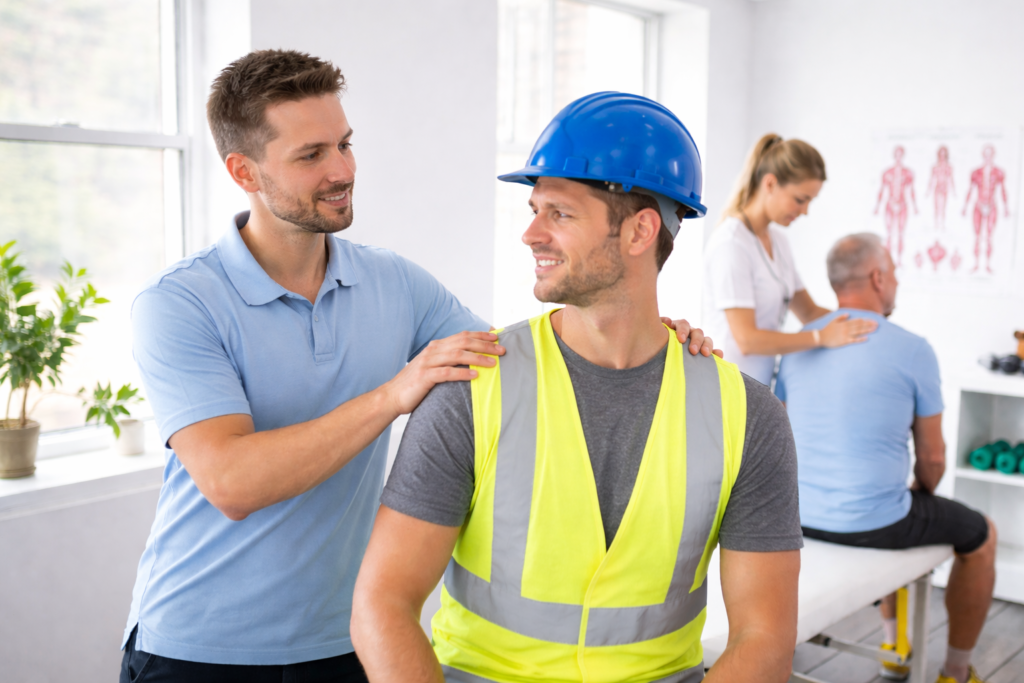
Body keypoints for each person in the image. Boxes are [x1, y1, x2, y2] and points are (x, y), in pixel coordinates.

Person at [120, 53, 714, 682]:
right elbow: (232, 483)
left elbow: (529, 366)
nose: (343, 170)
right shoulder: (180, 302)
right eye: (311, 155)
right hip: (199, 650)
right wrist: (394, 394)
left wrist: (648, 339)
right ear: (244, 170)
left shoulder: (392, 283)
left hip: (345, 639)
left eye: (345, 145)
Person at [351, 92, 803, 683]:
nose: (531, 234)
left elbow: (763, 637)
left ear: (641, 230)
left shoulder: (747, 415)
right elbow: (381, 605)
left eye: (559, 214)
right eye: (535, 209)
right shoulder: (474, 386)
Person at [775, 233, 997, 683]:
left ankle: (895, 647)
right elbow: (932, 456)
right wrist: (924, 491)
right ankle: (956, 672)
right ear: (878, 278)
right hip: (873, 524)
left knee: (895, 500)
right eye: (893, 273)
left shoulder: (801, 342)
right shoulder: (913, 348)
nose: (894, 282)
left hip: (796, 516)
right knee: (983, 535)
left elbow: (783, 430)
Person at [703, 134, 877, 386]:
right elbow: (746, 339)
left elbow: (809, 311)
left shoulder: (778, 242)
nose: (805, 211)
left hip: (756, 387)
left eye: (809, 201)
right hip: (723, 387)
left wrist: (864, 325)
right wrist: (820, 338)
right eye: (800, 199)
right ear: (770, 184)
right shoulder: (732, 243)